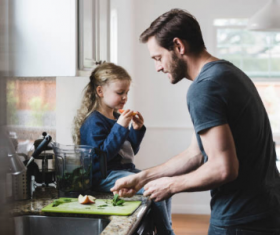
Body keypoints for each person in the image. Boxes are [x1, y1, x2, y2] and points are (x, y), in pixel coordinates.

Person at [111, 8, 280, 235]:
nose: (158, 67)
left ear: (179, 46)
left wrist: (170, 185)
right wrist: (142, 178)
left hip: (240, 220)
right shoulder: (228, 73)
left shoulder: (204, 88)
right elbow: (196, 153)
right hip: (265, 210)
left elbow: (223, 169)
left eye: (158, 58)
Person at [72, 62, 175, 235]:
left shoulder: (117, 116)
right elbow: (102, 156)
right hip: (105, 176)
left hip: (124, 171)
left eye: (127, 92)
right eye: (120, 93)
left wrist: (136, 129)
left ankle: (165, 228)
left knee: (163, 182)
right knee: (153, 187)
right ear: (100, 91)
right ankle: (166, 232)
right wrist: (120, 127)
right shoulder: (93, 122)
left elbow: (128, 151)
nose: (125, 97)